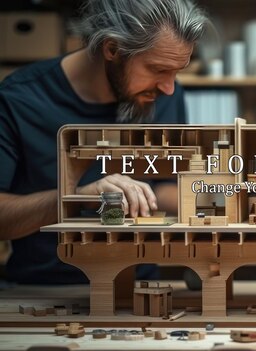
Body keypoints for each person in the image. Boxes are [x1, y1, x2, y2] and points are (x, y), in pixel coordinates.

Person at [0, 0, 208, 284]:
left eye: (176, 72)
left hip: (139, 285)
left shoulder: (162, 94)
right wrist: (78, 197)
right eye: (158, 69)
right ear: (112, 49)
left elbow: (167, 184)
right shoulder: (19, 100)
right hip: (44, 289)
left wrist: (215, 196)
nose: (169, 87)